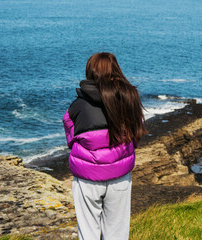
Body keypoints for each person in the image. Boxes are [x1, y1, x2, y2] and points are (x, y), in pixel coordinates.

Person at [62, 52, 147, 240]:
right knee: (117, 234)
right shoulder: (130, 98)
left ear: (90, 72)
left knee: (88, 233)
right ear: (116, 70)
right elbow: (137, 130)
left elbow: (69, 133)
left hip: (87, 178)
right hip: (119, 177)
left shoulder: (78, 105)